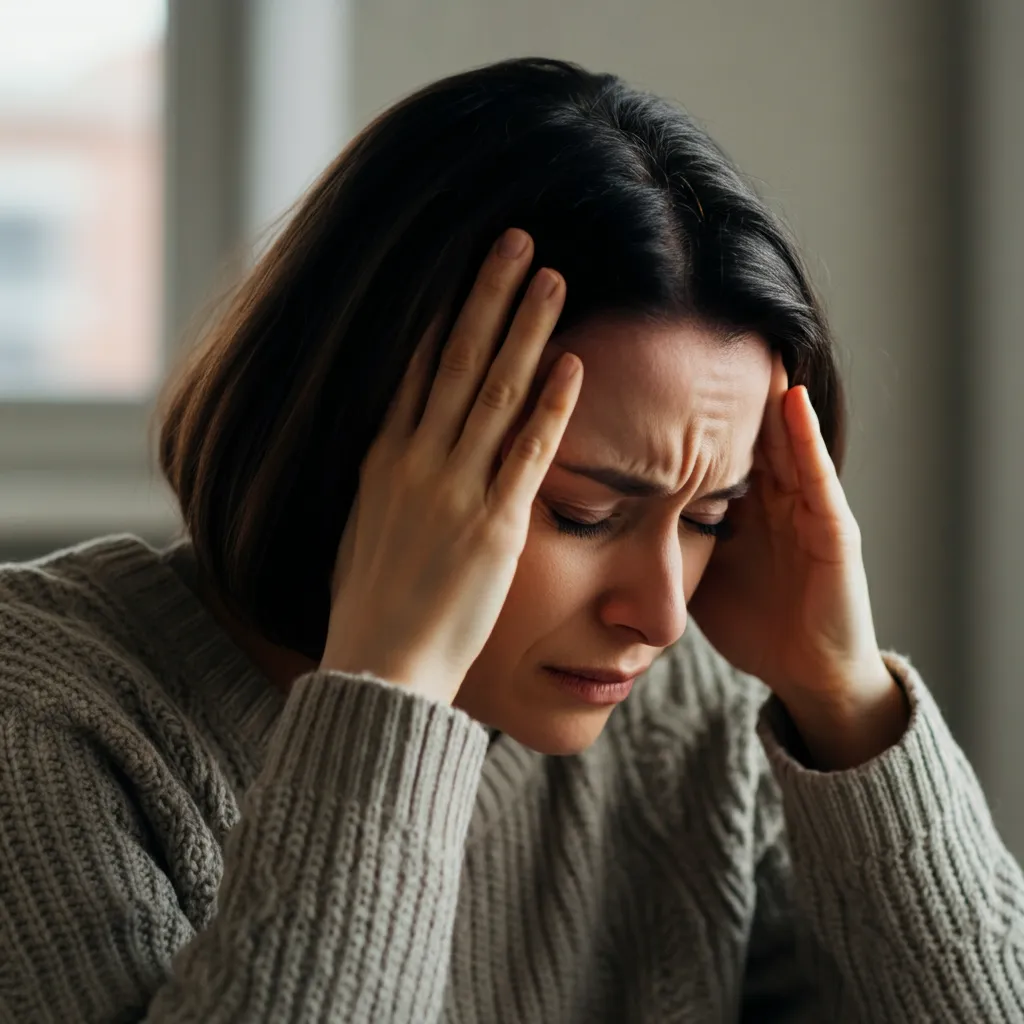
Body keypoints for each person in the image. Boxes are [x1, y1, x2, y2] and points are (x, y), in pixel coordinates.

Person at [0, 56, 1020, 1023]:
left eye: (709, 516)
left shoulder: (683, 722)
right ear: (364, 445)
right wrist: (387, 693)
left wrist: (844, 698)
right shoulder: (45, 719)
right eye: (583, 511)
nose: (661, 615)